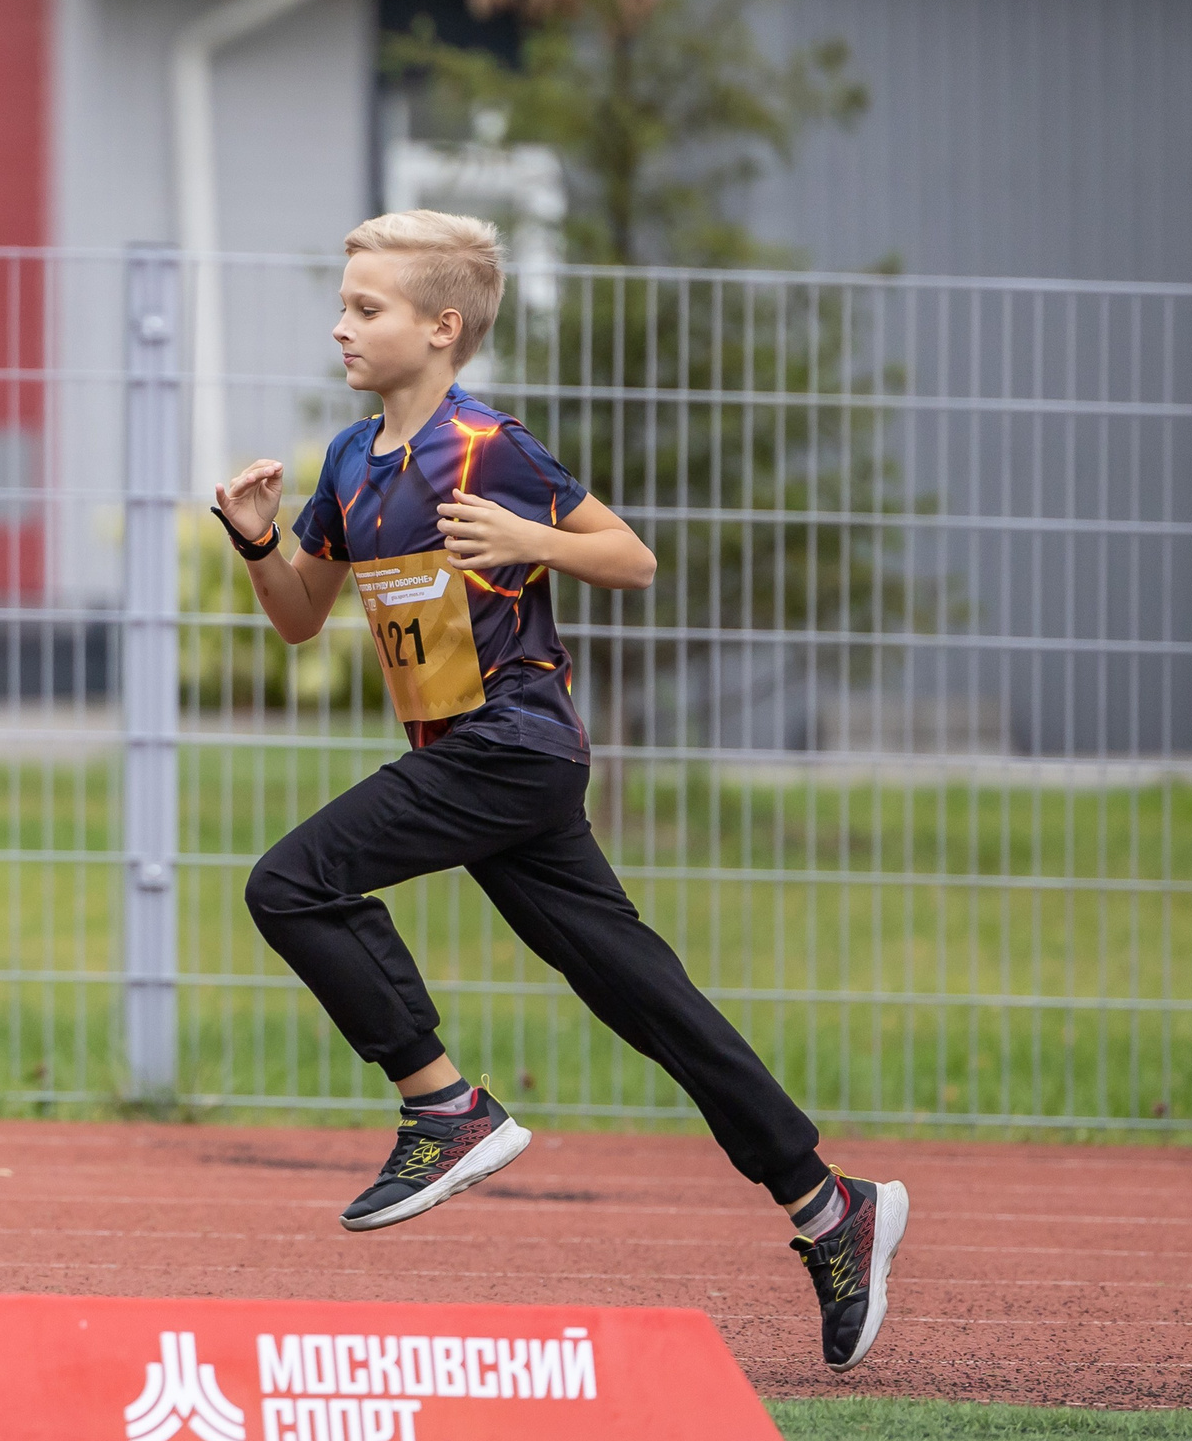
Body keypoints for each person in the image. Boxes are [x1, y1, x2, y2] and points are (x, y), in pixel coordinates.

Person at [210, 210, 908, 1372]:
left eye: (366, 308)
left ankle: (445, 1107)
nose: (341, 326)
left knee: (291, 883)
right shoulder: (348, 462)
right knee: (643, 994)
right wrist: (255, 541)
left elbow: (630, 556)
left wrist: (523, 535)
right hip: (477, 762)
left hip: (510, 747)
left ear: (442, 328)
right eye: (342, 305)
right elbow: (297, 617)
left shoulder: (489, 448)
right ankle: (829, 1203)